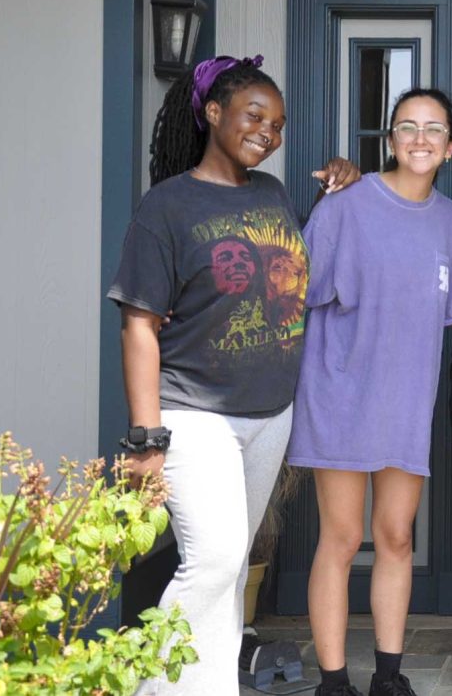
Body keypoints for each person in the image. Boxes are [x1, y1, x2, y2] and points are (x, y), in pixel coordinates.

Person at [109, 54, 359, 696]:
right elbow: (140, 327)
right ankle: (144, 686)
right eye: (255, 116)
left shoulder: (273, 193)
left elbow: (288, 275)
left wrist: (338, 186)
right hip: (194, 412)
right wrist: (146, 440)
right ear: (213, 113)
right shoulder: (166, 206)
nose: (267, 133)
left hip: (270, 413)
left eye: (277, 124)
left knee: (226, 569)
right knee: (215, 560)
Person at [288, 87, 452, 696]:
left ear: (450, 146)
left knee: (396, 536)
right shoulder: (346, 204)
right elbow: (297, 294)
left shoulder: (448, 219)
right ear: (390, 139)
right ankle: (334, 680)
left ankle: (389, 676)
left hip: (406, 400)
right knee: (340, 538)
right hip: (341, 395)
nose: (420, 139)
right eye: (407, 127)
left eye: (433, 129)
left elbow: (444, 311)